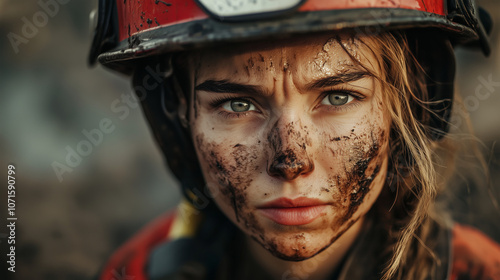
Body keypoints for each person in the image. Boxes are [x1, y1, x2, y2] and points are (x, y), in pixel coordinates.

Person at [89, 0, 500, 279]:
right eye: (236, 104)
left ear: (408, 104)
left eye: (338, 97)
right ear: (179, 115)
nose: (290, 160)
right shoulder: (133, 270)